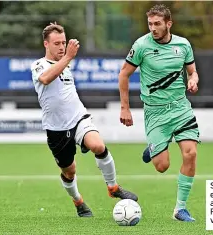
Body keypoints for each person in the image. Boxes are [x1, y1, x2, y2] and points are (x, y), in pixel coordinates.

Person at [30, 22, 138, 217]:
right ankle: (78, 201)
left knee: (98, 145)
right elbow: (46, 79)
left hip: (79, 117)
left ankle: (113, 187)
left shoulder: (65, 64)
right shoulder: (39, 65)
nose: (62, 47)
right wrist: (69, 57)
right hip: (56, 129)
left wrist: (67, 59)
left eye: (63, 42)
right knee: (69, 171)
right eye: (57, 43)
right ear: (46, 44)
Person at [118, 4, 200, 222]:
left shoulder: (183, 45)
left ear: (168, 24)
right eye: (150, 24)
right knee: (162, 166)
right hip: (155, 113)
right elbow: (124, 75)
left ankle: (180, 209)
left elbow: (192, 71)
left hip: (181, 108)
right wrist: (125, 108)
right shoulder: (141, 46)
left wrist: (193, 80)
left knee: (190, 153)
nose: (153, 28)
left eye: (157, 24)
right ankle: (155, 148)